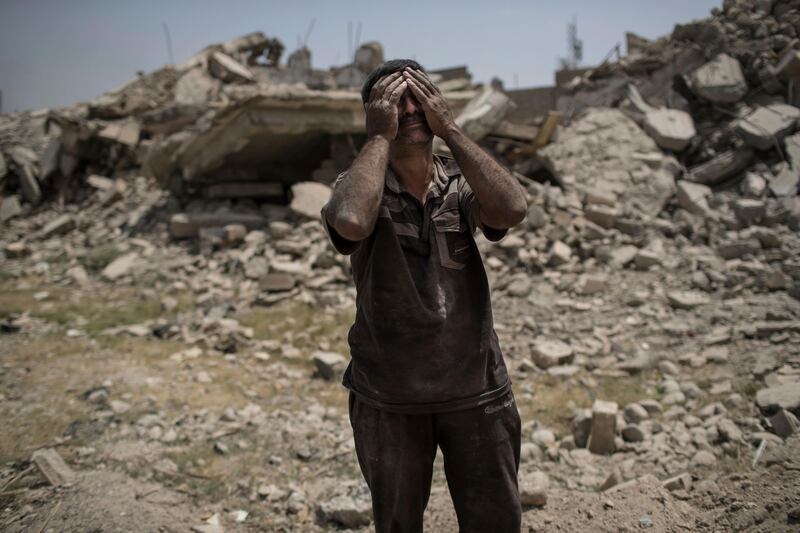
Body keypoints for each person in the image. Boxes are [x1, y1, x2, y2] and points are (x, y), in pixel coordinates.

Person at [319, 59, 528, 533]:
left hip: (476, 388)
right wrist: (378, 138)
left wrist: (451, 128)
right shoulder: (357, 186)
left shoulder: (459, 180)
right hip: (389, 394)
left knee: (495, 520)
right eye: (394, 100)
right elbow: (351, 220)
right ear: (375, 112)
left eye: (419, 96)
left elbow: (512, 208)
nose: (410, 108)